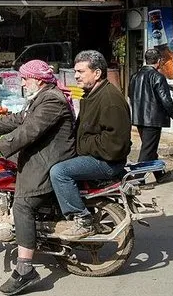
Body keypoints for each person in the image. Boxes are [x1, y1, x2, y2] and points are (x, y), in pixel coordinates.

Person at [0, 60, 75, 295]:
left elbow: (30, 130)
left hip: (50, 160)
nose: (21, 83)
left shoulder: (51, 100)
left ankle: (25, 269)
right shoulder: (42, 96)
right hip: (42, 155)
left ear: (38, 80)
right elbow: (19, 119)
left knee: (22, 205)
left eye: (24, 79)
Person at [50, 50, 132, 240]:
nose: (76, 76)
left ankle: (82, 220)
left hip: (107, 162)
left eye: (81, 72)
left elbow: (114, 144)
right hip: (96, 155)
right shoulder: (92, 94)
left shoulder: (110, 100)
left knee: (59, 172)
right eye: (75, 71)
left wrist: (81, 145)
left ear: (97, 73)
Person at [129, 49, 173, 183]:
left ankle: (159, 174)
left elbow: (131, 95)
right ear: (158, 61)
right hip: (152, 119)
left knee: (150, 147)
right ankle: (138, 179)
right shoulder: (158, 77)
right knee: (148, 149)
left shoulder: (135, 76)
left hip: (139, 118)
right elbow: (166, 101)